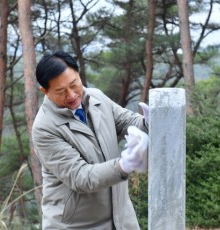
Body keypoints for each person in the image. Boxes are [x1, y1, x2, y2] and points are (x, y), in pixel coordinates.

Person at [32, 51, 150, 229]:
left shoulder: (96, 98)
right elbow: (80, 177)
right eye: (61, 91)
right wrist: (123, 166)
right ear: (45, 91)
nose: (71, 95)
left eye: (74, 84)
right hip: (78, 225)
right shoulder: (44, 128)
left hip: (121, 218)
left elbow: (129, 122)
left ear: (79, 75)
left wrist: (149, 123)